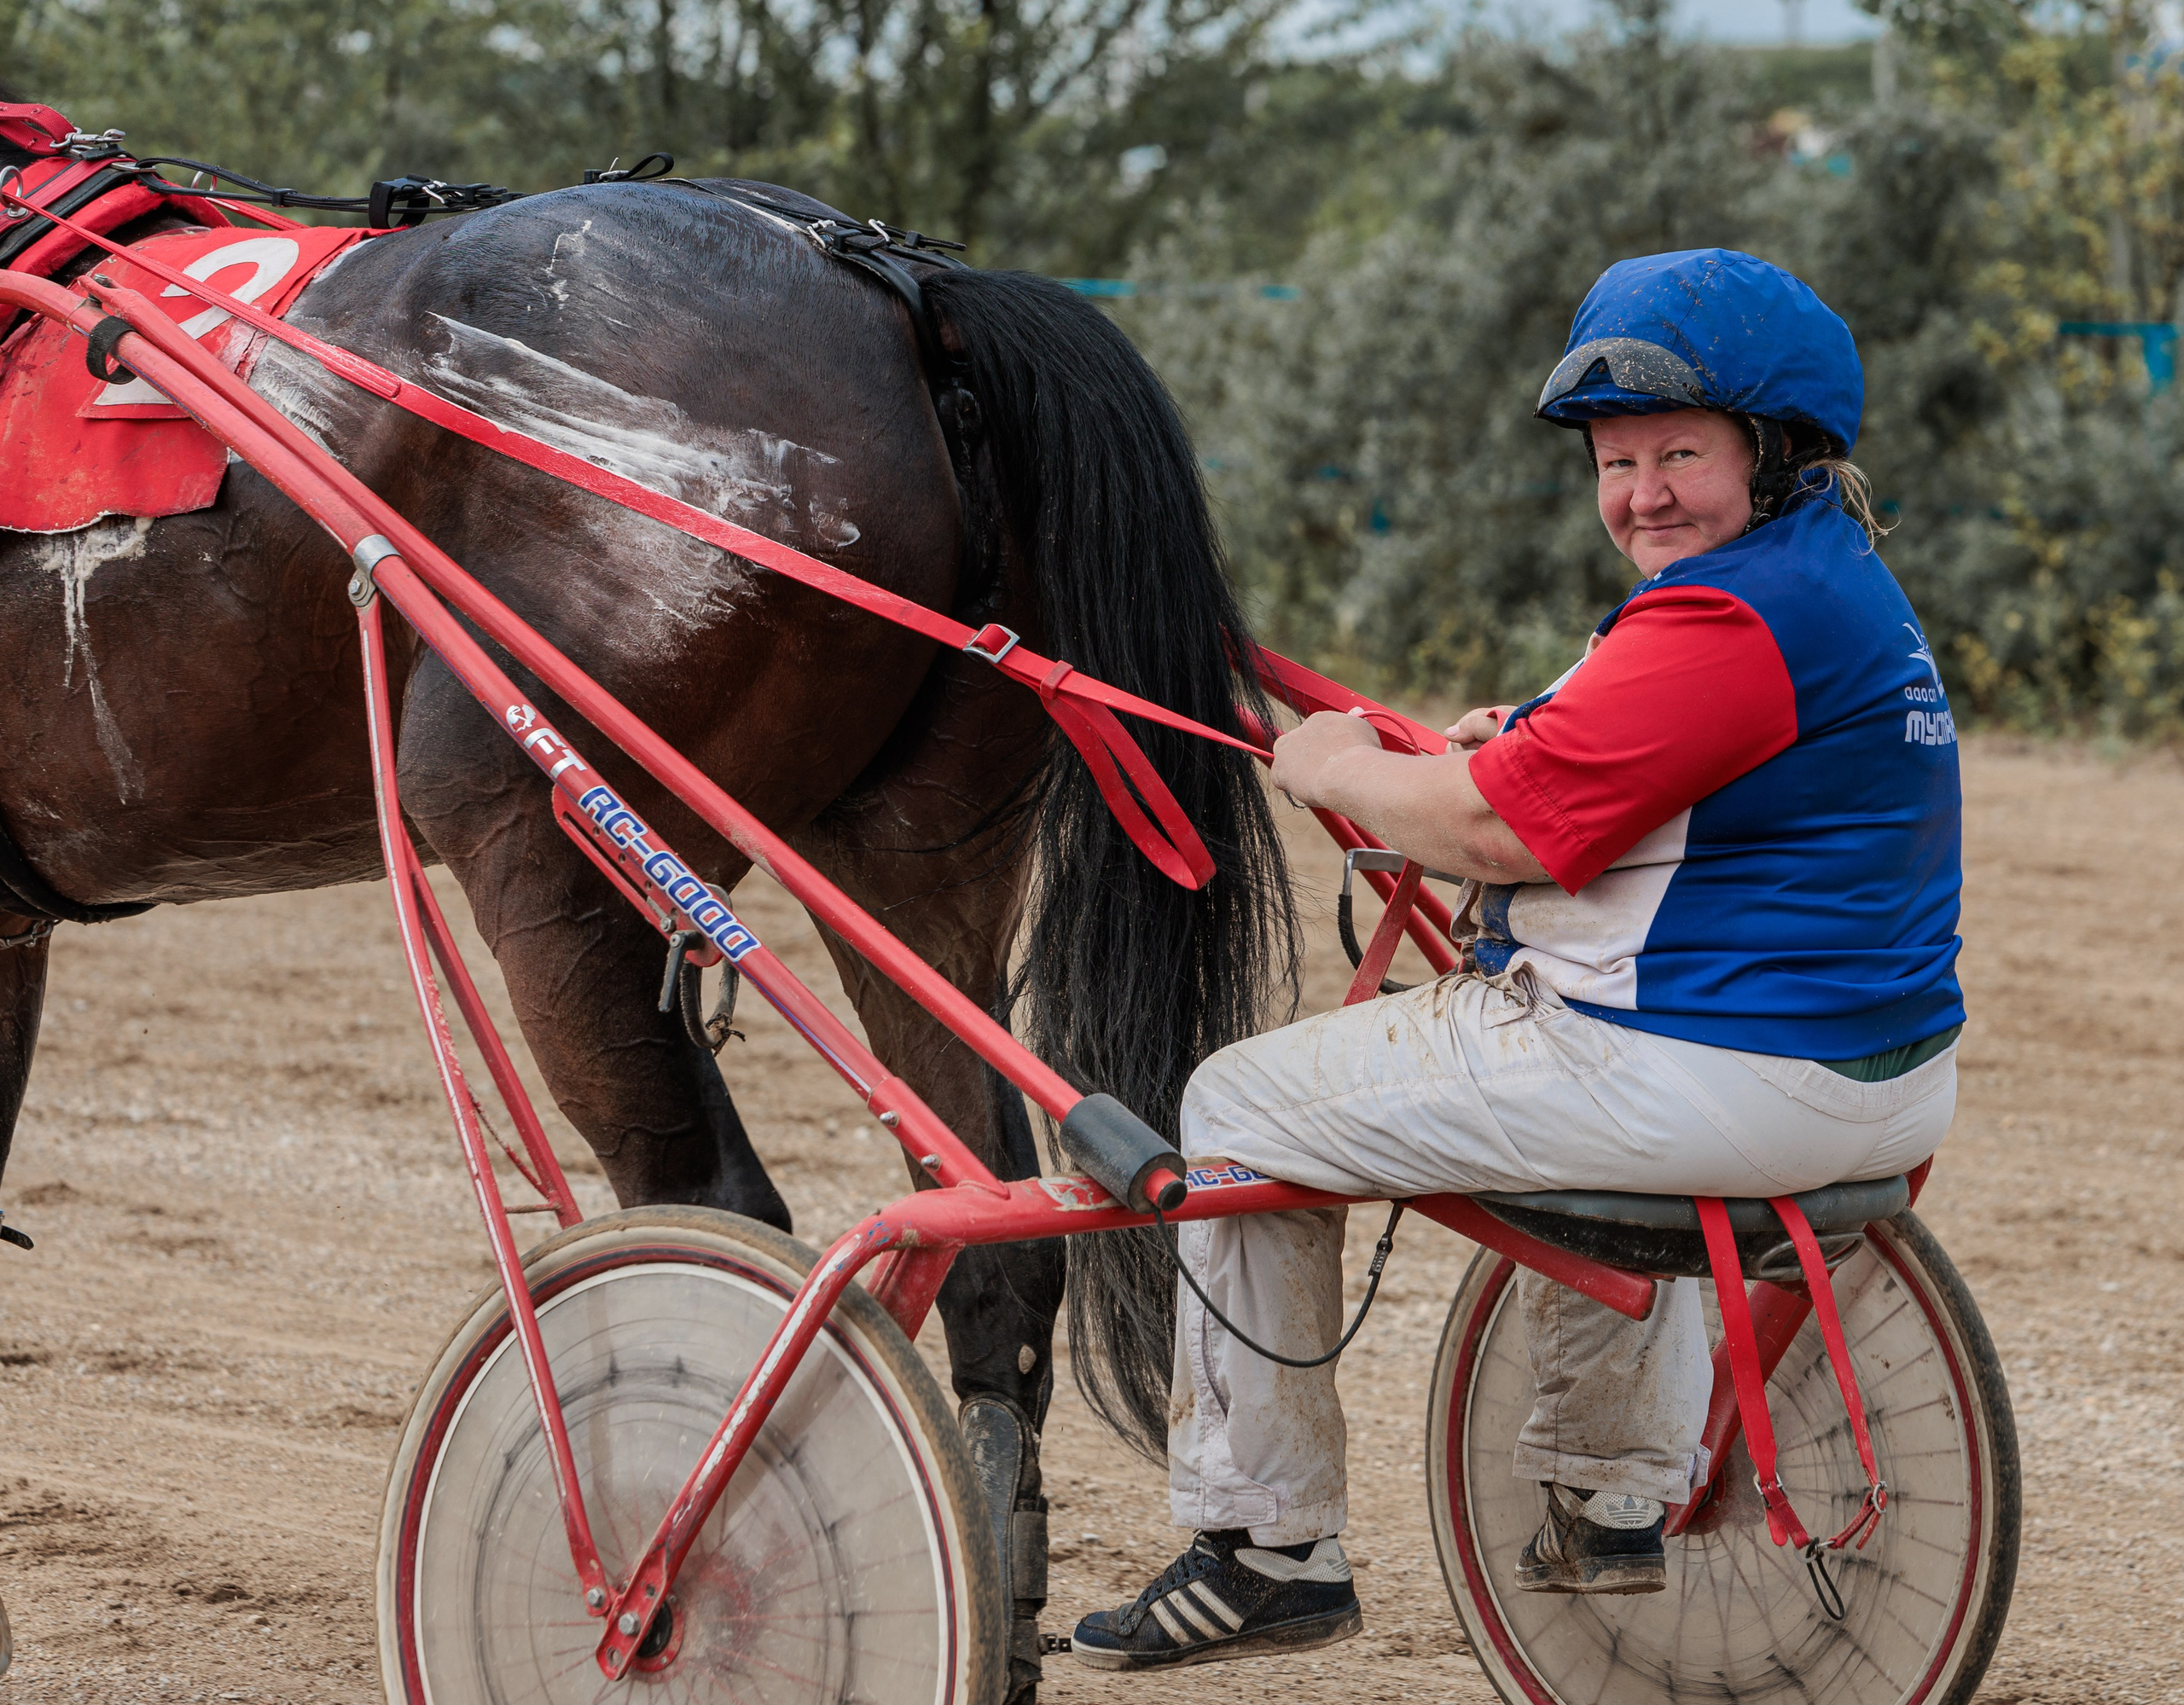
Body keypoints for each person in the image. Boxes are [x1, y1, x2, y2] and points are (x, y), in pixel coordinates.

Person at [1068, 248, 1966, 1671]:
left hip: (1712, 1074)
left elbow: (1496, 832)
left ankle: (1265, 1547)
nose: (1643, 494)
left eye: (1680, 454)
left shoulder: (1727, 618)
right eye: (1617, 463)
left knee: (1235, 1101)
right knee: (1581, 1111)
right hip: (1875, 1084)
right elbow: (1634, 762)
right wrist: (1518, 743)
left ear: (1775, 451)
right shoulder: (1831, 583)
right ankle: (1607, 1498)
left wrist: (1334, 766)